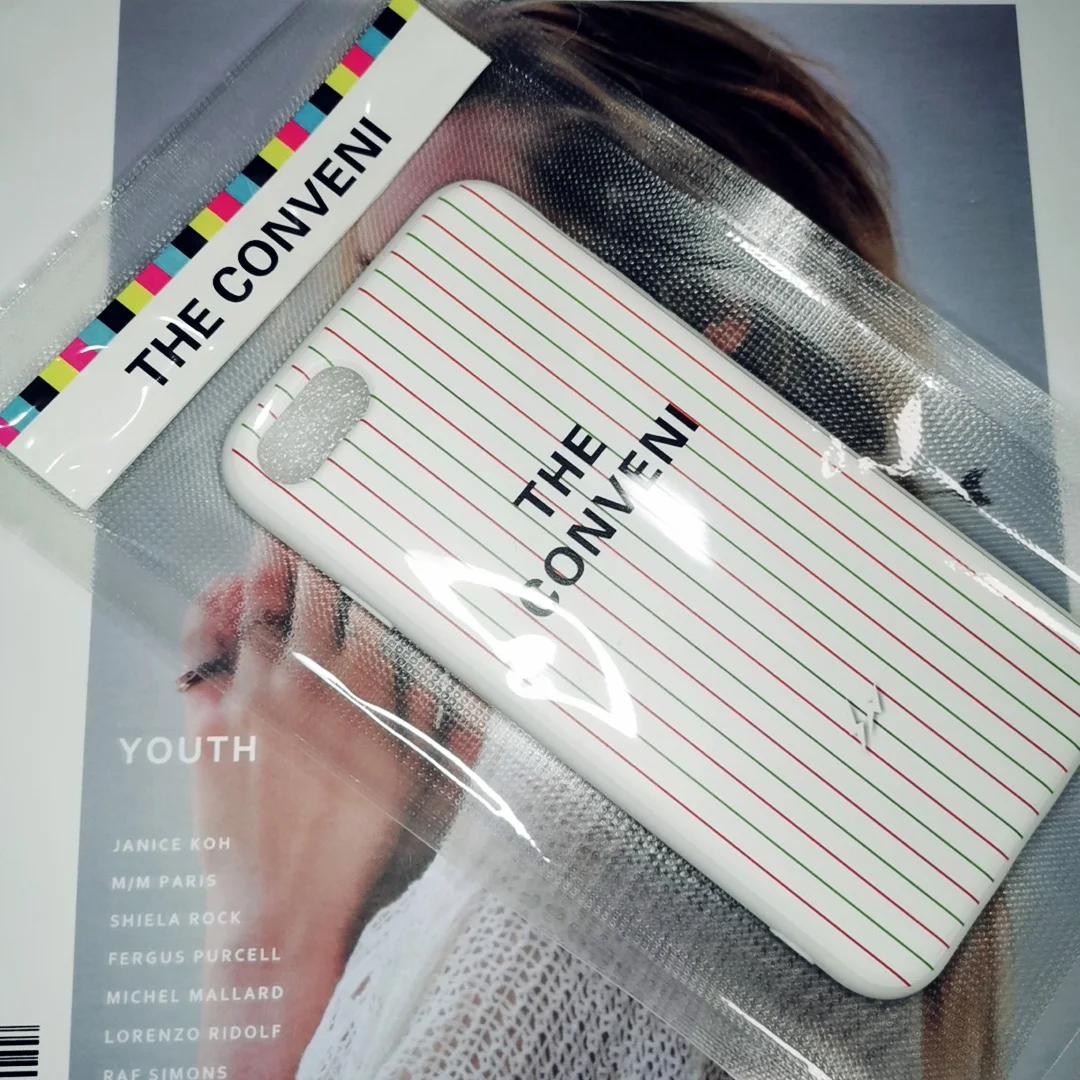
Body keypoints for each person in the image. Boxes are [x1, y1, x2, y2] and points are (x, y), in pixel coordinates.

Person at [181, 4, 1006, 1078]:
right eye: (376, 280)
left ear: (696, 332)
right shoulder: (682, 751)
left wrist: (276, 918)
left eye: (455, 291)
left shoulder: (645, 851)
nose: (371, 377)